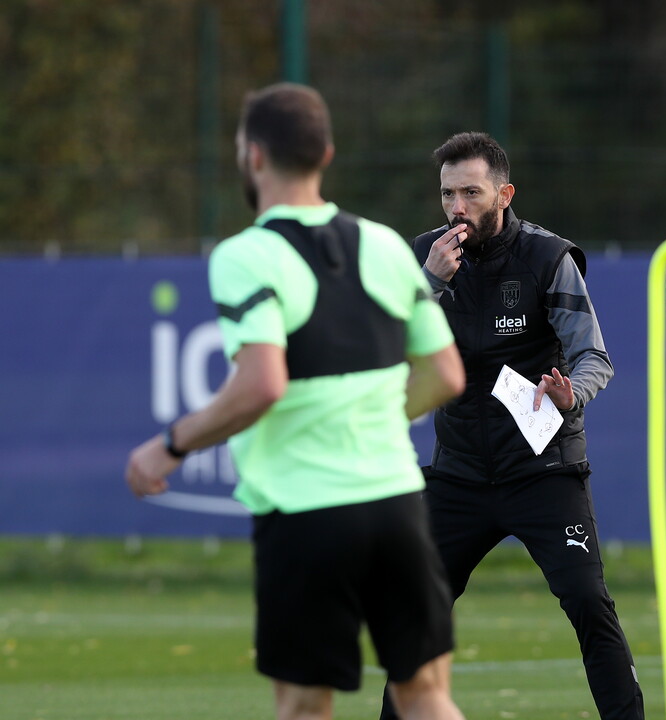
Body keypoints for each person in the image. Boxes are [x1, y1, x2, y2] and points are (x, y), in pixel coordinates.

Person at [125, 82, 468, 720]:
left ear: (253, 156)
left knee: (305, 708)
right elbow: (446, 374)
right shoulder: (386, 244)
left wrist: (170, 445)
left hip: (308, 513)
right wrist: (369, 416)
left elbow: (261, 383)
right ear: (327, 154)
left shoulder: (245, 254)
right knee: (426, 697)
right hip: (396, 504)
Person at [379, 132, 645, 720]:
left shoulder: (548, 260)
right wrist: (430, 286)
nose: (456, 207)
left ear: (504, 195)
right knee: (417, 611)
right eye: (447, 194)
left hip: (543, 470)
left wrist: (570, 394)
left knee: (587, 602)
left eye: (471, 192)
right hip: (460, 475)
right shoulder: (425, 259)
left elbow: (595, 359)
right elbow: (385, 351)